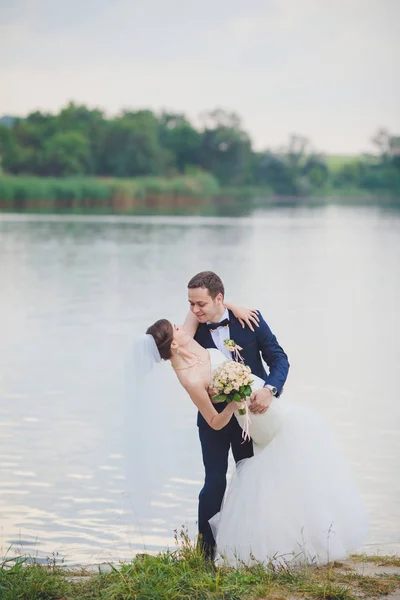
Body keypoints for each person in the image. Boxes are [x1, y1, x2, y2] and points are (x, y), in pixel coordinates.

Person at [143, 313, 367, 566]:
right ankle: (209, 553)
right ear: (173, 344)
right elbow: (214, 421)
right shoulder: (189, 379)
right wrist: (232, 403)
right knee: (232, 480)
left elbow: (201, 304)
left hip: (257, 409)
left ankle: (294, 539)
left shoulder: (188, 339)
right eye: (175, 328)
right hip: (233, 416)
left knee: (268, 468)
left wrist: (230, 305)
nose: (181, 326)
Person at [184, 271, 290, 559]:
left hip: (252, 418)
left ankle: (250, 551)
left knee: (250, 480)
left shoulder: (251, 320)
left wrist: (270, 389)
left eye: (200, 304)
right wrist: (224, 306)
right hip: (213, 417)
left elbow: (279, 358)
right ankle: (204, 556)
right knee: (214, 481)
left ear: (219, 298)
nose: (195, 310)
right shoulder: (194, 330)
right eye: (191, 304)